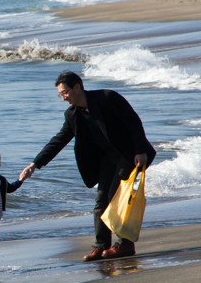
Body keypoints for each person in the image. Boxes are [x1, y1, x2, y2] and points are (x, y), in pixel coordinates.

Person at [20, 71, 155, 261]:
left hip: (130, 155)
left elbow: (133, 121)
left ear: (77, 87)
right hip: (108, 159)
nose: (63, 97)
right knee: (101, 200)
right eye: (60, 95)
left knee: (116, 197)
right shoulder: (73, 115)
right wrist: (35, 163)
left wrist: (140, 150)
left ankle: (125, 244)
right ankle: (101, 246)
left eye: (65, 92)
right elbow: (59, 140)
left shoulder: (107, 97)